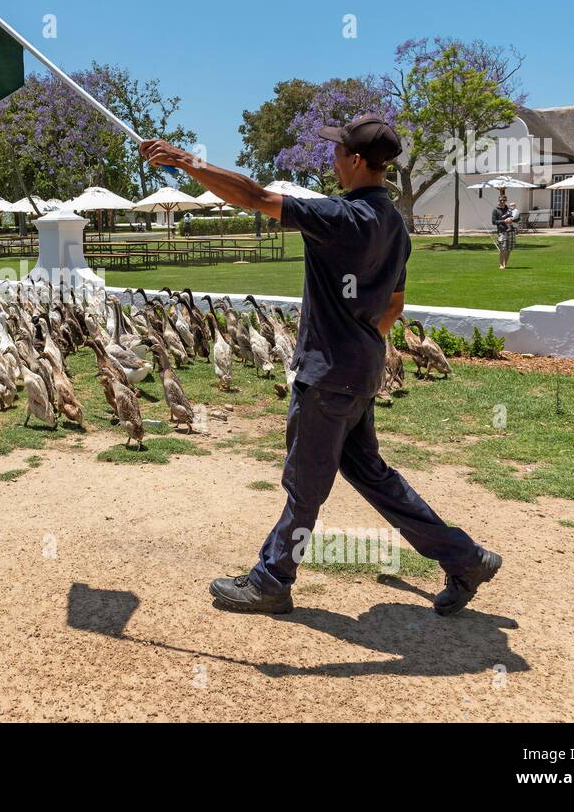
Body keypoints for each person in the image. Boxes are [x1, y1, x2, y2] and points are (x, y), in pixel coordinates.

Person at [141, 114, 501, 617]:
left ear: (355, 160)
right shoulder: (395, 224)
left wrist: (183, 159)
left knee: (304, 487)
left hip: (328, 374)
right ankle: (466, 558)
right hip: (362, 370)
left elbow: (254, 197)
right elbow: (393, 307)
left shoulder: (338, 218)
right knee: (372, 475)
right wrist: (357, 342)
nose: (331, 159)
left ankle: (272, 580)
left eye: (336, 152)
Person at [492, 195, 516, 269]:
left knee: (509, 249)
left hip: (511, 231)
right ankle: (501, 264)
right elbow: (494, 222)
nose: (502, 201)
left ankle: (505, 264)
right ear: (498, 201)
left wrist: (512, 219)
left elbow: (515, 218)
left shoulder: (509, 209)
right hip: (502, 231)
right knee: (502, 248)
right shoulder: (495, 210)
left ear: (506, 201)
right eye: (501, 200)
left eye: (504, 200)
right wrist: (504, 221)